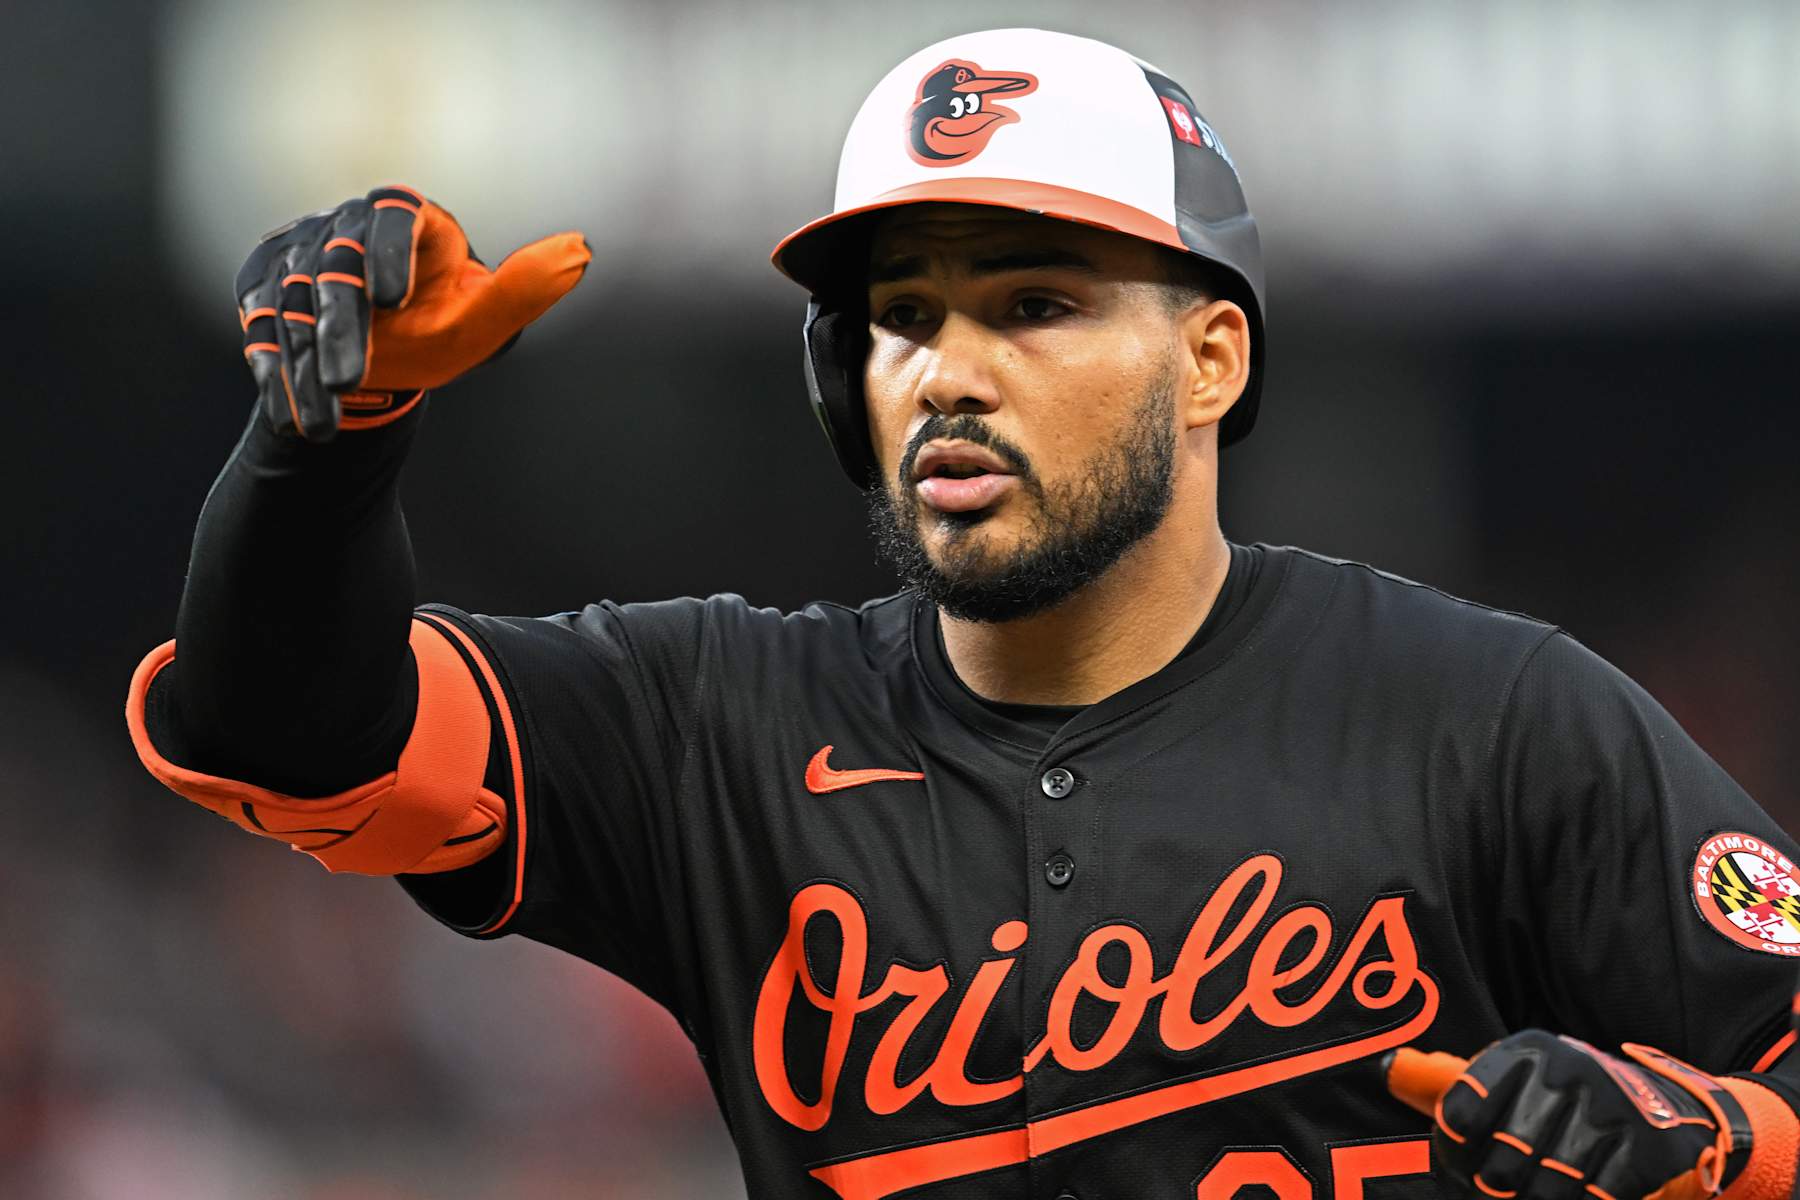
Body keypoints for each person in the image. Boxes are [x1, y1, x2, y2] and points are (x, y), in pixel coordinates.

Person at [125, 27, 1800, 1200]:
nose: (949, 371)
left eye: (1036, 303)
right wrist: (317, 455)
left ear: (1211, 359)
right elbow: (290, 728)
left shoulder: (1489, 718)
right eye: (904, 314)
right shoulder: (713, 725)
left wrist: (1714, 1134)